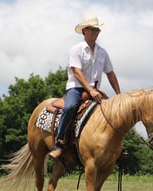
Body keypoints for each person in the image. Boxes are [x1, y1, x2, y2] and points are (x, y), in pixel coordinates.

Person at [49, 16, 121, 159]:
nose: (95, 33)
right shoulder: (76, 50)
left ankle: (114, 147)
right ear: (84, 31)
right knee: (70, 107)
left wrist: (119, 94)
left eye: (97, 30)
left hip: (95, 90)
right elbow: (77, 72)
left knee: (113, 113)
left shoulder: (103, 52)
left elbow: (110, 73)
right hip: (76, 88)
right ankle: (59, 141)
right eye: (92, 30)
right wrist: (91, 90)